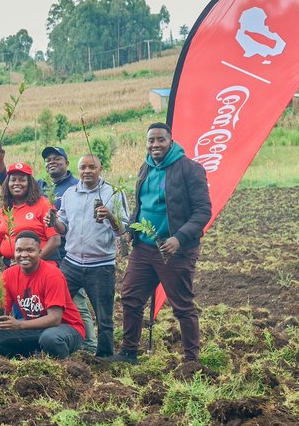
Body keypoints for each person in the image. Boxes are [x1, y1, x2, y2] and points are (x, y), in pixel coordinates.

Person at [115, 123, 211, 365]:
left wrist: (178, 239)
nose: (155, 145)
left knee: (182, 305)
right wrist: (131, 230)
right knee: (131, 298)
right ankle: (129, 352)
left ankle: (191, 360)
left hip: (174, 251)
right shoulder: (144, 168)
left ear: (170, 141)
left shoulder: (190, 169)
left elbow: (203, 211)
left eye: (160, 140)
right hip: (143, 248)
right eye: (150, 141)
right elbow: (142, 206)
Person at [49, 155, 128, 357]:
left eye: (92, 167)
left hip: (101, 265)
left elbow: (123, 229)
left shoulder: (112, 193)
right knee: (55, 305)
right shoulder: (69, 193)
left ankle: (105, 356)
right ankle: (61, 346)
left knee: (104, 316)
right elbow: (63, 227)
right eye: (83, 167)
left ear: (100, 169)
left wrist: (110, 216)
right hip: (72, 262)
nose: (87, 171)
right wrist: (53, 222)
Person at [0, 231, 85, 358]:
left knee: (50, 338)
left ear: (40, 253)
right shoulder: (8, 275)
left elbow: (55, 318)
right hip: (32, 328)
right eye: (19, 250)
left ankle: (61, 366)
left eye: (30, 250)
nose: (24, 255)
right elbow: (2, 309)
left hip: (65, 328)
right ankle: (21, 360)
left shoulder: (52, 275)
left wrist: (19, 325)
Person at [0, 162, 59, 265]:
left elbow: (54, 240)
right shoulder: (4, 209)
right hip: (10, 267)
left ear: (30, 184)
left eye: (22, 180)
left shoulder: (44, 205)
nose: (17, 183)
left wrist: (30, 262)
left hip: (39, 266)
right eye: (13, 180)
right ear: (7, 184)